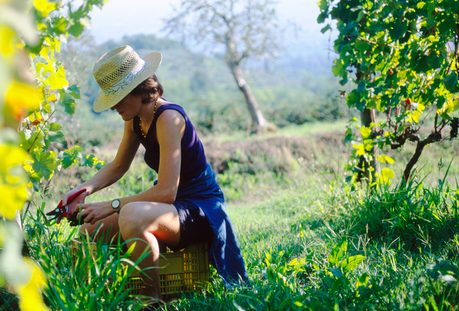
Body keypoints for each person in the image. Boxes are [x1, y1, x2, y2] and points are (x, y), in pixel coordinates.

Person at [58, 45, 248, 302]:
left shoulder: (169, 118)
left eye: (117, 98)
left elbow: (167, 192)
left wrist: (111, 205)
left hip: (198, 208)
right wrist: (81, 191)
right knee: (90, 230)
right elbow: (118, 166)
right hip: (172, 209)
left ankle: (149, 301)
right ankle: (101, 293)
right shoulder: (134, 119)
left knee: (132, 215)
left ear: (138, 90)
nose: (113, 107)